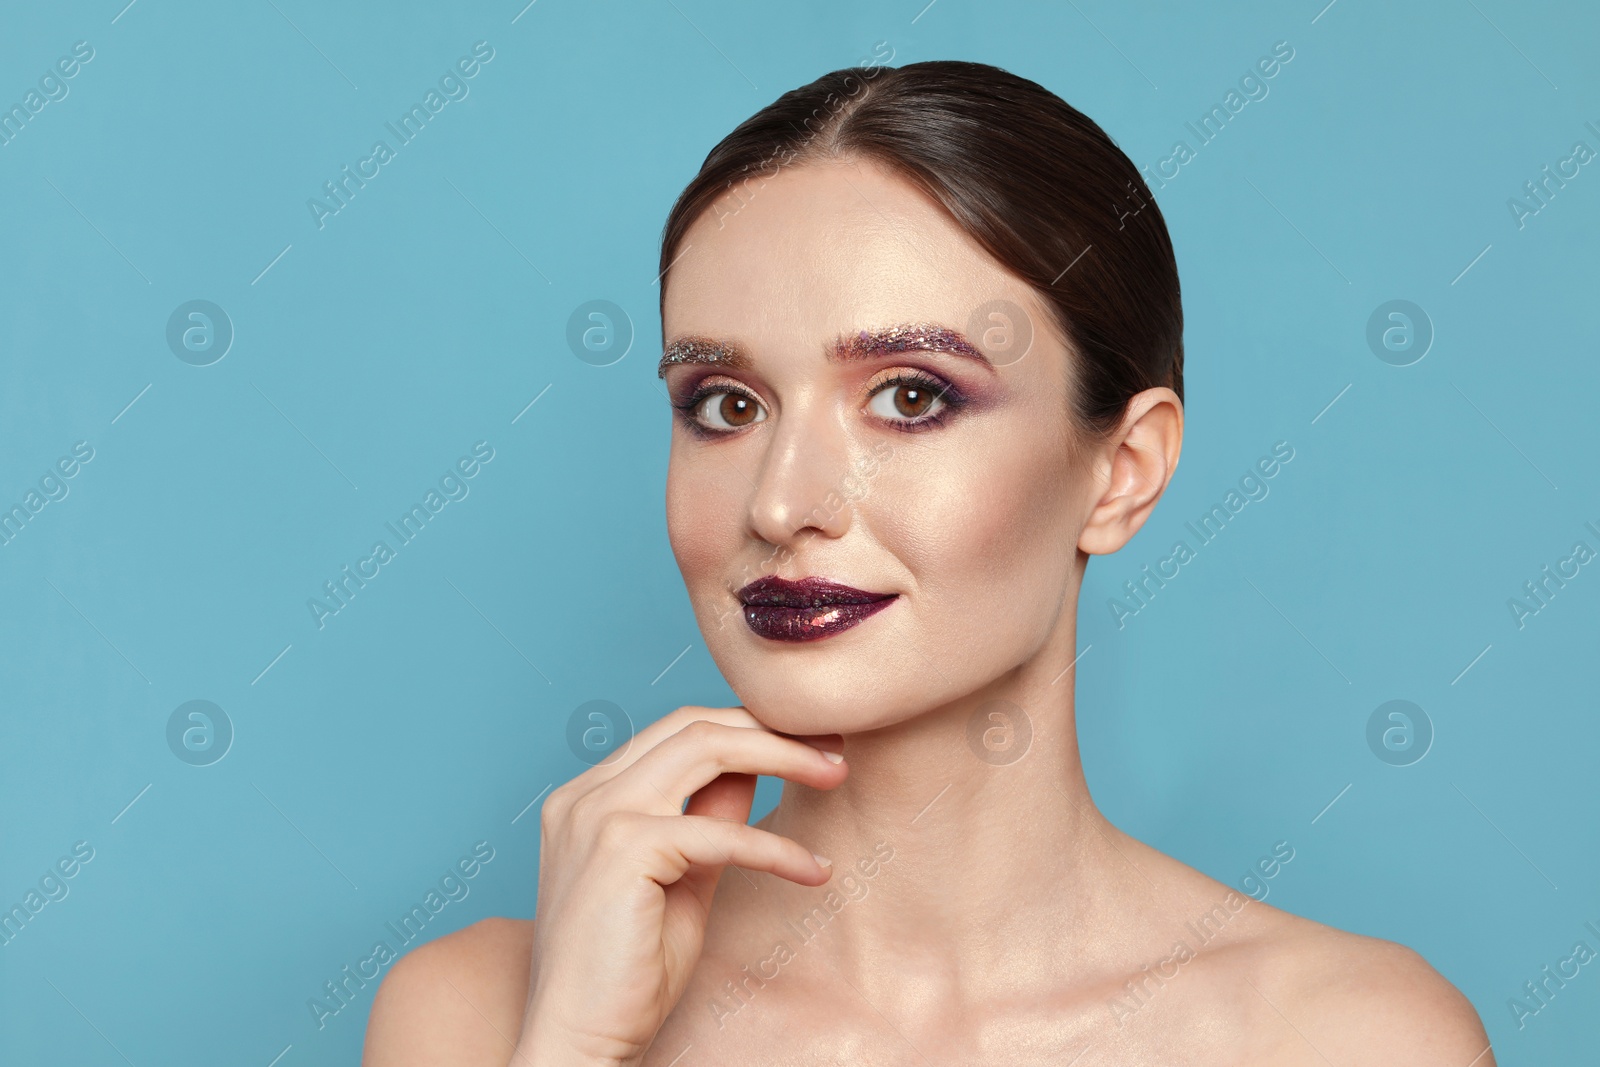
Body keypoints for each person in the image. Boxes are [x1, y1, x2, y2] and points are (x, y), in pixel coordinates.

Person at [363, 60, 1494, 1066]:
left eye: (910, 396)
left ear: (1122, 472)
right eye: (725, 403)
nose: (782, 499)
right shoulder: (477, 1014)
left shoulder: (1350, 1037)